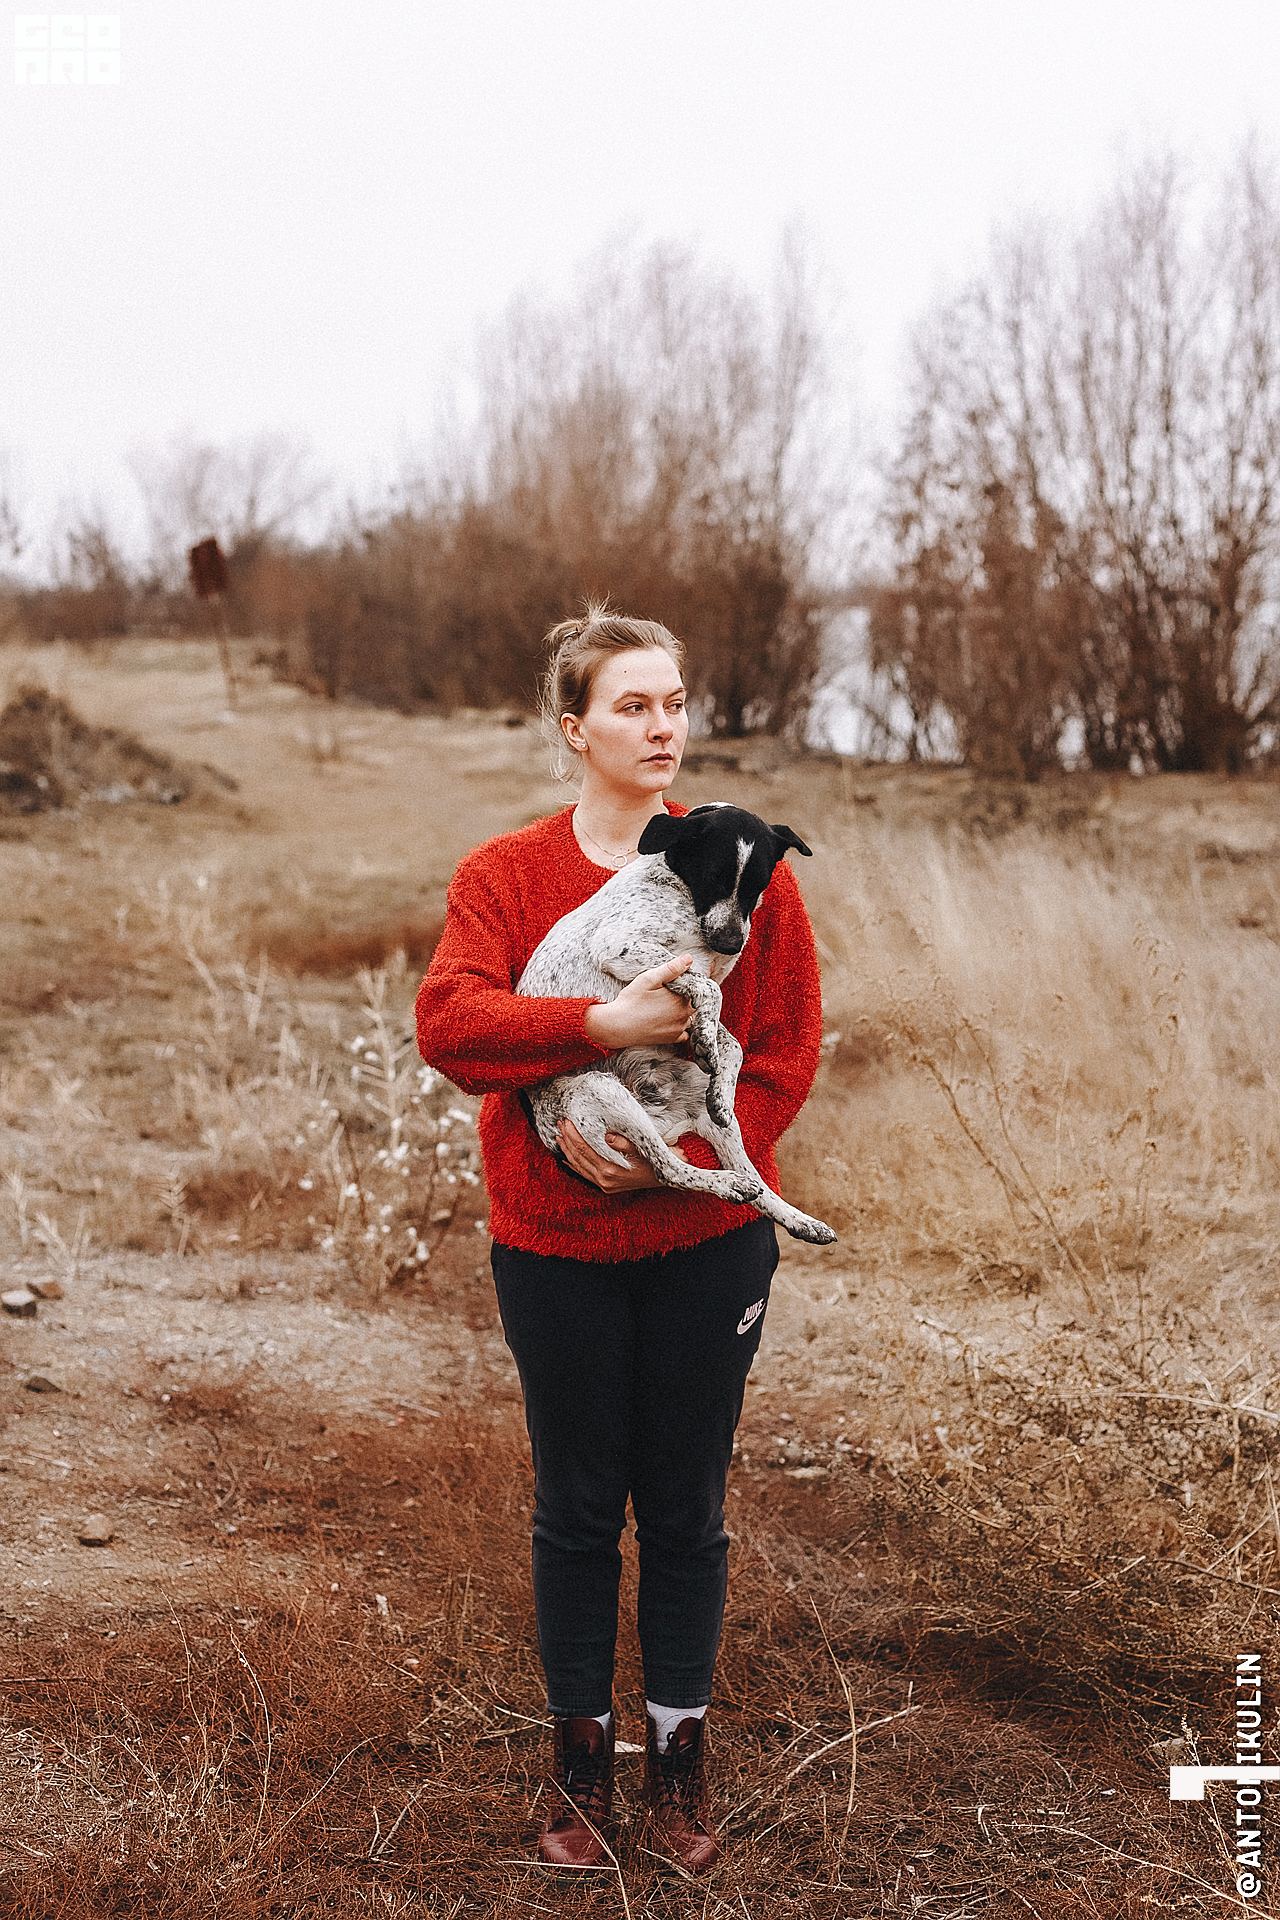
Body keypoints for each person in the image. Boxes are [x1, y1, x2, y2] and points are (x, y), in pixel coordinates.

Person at [414, 607, 823, 1875]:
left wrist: (684, 1160)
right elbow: (450, 1026)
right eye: (632, 706)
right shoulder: (506, 876)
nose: (661, 728)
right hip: (553, 1248)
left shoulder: (745, 864)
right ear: (573, 726)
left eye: (675, 703)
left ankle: (677, 1771)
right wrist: (595, 1028)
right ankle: (578, 1774)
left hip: (706, 1244)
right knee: (580, 1507)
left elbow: (785, 1052)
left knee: (687, 1506)